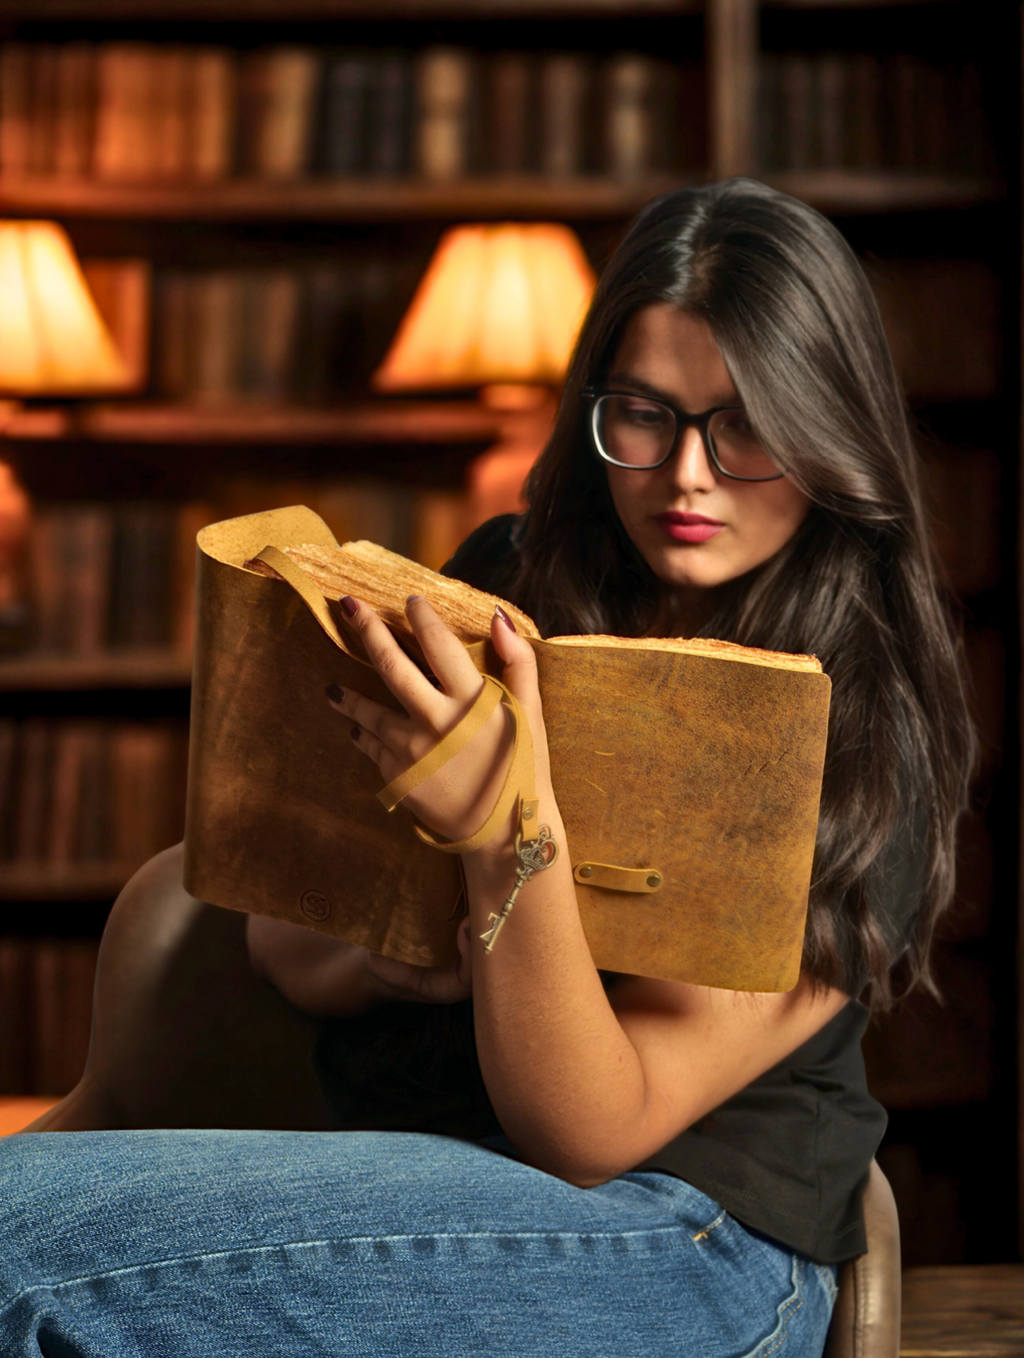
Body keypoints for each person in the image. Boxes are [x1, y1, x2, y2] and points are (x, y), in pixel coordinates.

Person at [0, 179, 974, 1358]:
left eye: (747, 425)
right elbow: (285, 942)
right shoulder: (511, 576)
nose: (685, 476)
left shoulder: (860, 730)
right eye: (644, 415)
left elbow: (589, 1125)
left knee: (22, 1245)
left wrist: (499, 841)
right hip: (424, 1160)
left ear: (829, 428)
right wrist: (410, 948)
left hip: (683, 1233)